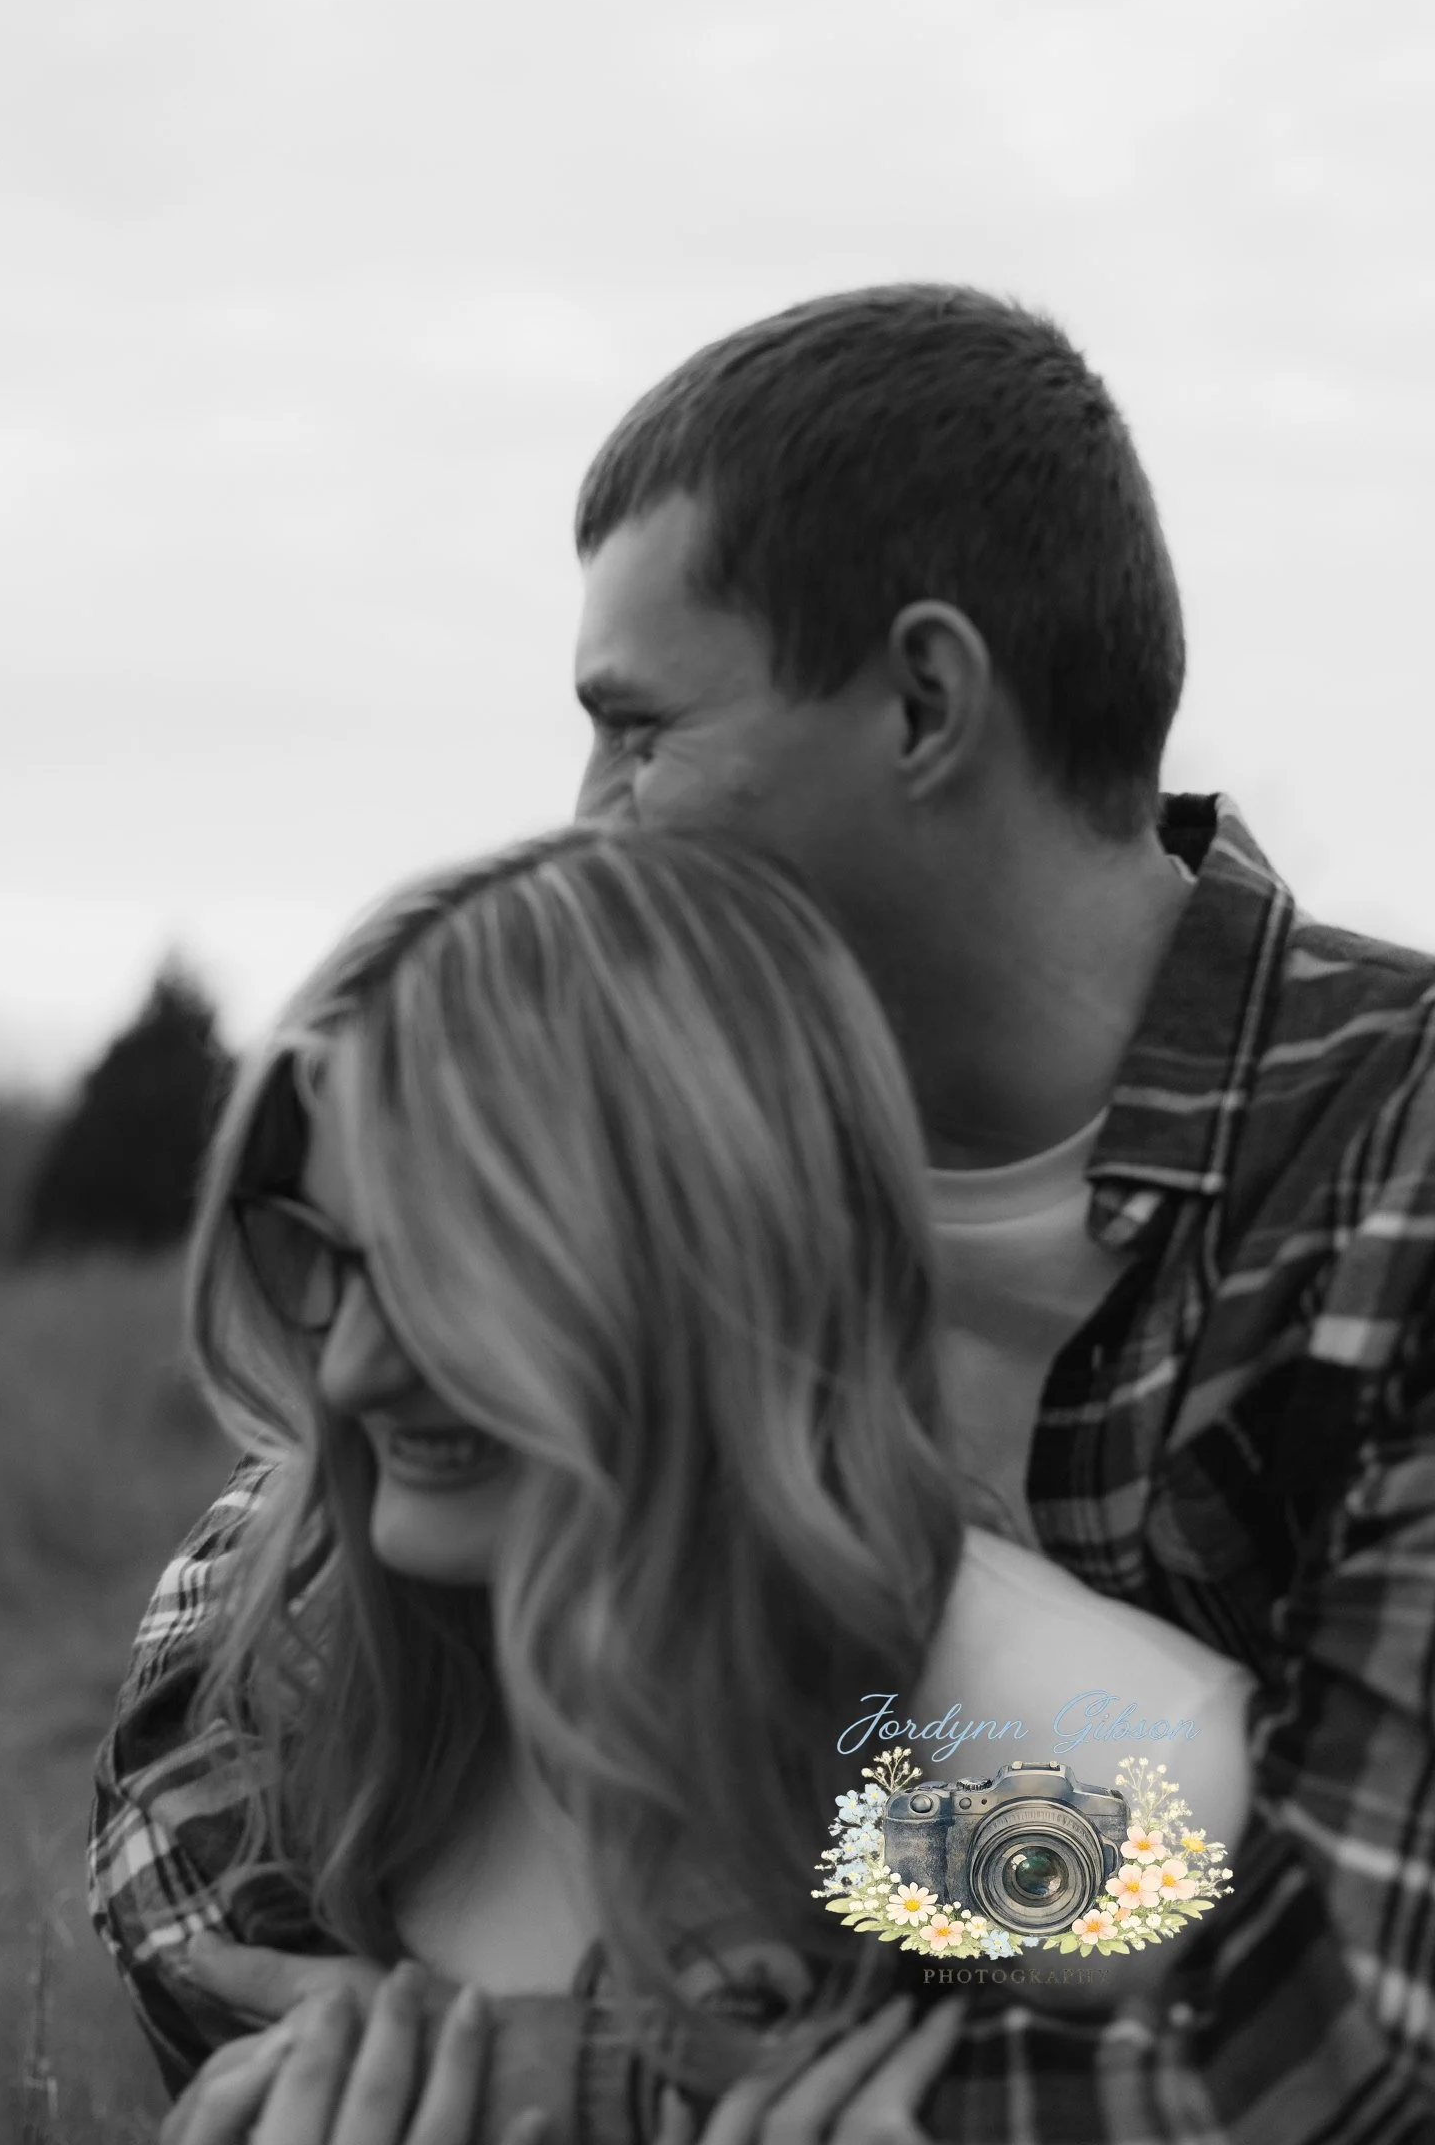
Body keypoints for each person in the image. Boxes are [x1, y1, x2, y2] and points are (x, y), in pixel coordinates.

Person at [91, 285, 1435, 2141]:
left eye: (637, 733)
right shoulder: (623, 1100)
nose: (586, 822)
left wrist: (598, 2085)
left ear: (924, 702)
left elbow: (1351, 2036)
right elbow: (232, 1653)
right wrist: (358, 2061)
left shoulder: (1393, 1167)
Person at [98, 818, 1251, 2145]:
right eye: (320, 1256)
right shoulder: (289, 1676)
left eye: (449, 1277)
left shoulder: (1055, 1784)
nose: (352, 1371)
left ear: (721, 1267)